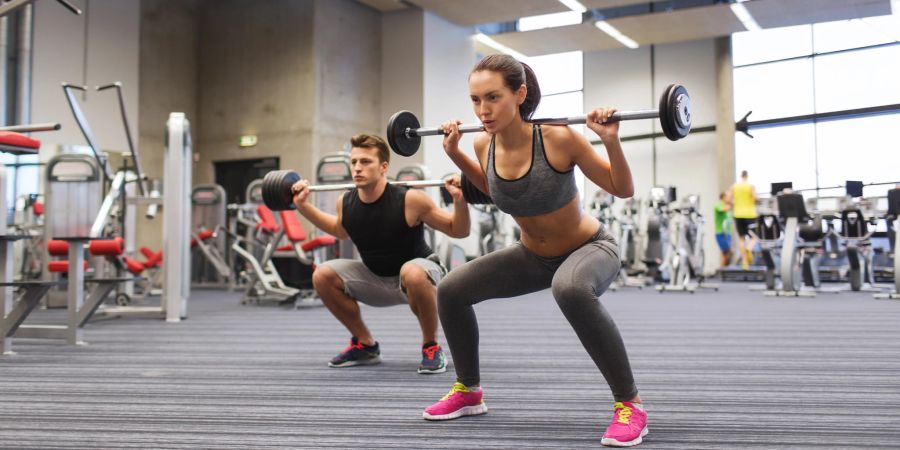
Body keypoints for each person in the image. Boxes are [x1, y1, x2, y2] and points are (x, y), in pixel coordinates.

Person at [423, 54, 648, 448]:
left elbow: (621, 188)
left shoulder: (558, 138)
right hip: (533, 256)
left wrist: (610, 140)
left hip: (590, 248)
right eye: (475, 100)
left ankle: (630, 405)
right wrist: (455, 154)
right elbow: (497, 192)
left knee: (570, 289)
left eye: (492, 97)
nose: (482, 110)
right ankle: (469, 390)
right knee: (452, 288)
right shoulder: (482, 143)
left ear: (520, 93)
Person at [290, 134, 470, 374]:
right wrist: (303, 206)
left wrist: (460, 200)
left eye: (365, 162)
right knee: (322, 275)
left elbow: (458, 230)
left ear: (384, 167)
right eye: (354, 162)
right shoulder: (346, 202)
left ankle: (431, 346)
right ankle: (365, 344)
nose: (357, 168)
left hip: (419, 276)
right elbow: (339, 230)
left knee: (412, 272)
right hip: (376, 278)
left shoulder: (410, 199)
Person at [726, 170, 758, 270]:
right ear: (747, 176)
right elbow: (755, 198)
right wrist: (754, 201)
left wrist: (734, 205)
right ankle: (749, 248)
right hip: (750, 214)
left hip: (738, 214)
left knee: (741, 238)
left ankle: (745, 263)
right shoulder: (750, 186)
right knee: (755, 236)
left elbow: (727, 200)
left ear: (741, 176)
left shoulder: (734, 187)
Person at [714, 192, 733, 269]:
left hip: (728, 232)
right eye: (728, 197)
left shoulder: (728, 208)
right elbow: (724, 209)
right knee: (726, 251)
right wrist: (731, 204)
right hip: (720, 232)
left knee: (727, 252)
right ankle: (723, 269)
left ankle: (725, 268)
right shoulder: (718, 205)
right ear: (723, 197)